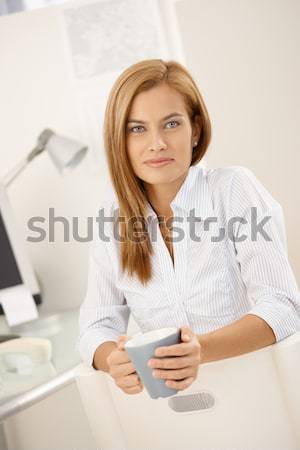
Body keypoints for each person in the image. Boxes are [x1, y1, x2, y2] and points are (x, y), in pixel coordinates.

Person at [76, 58, 300, 395]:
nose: (157, 143)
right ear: (119, 139)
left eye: (171, 124)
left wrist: (201, 350)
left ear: (194, 130)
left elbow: (283, 306)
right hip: (173, 417)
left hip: (259, 396)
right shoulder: (111, 221)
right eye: (137, 128)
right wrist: (111, 360)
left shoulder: (233, 190)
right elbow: (96, 326)